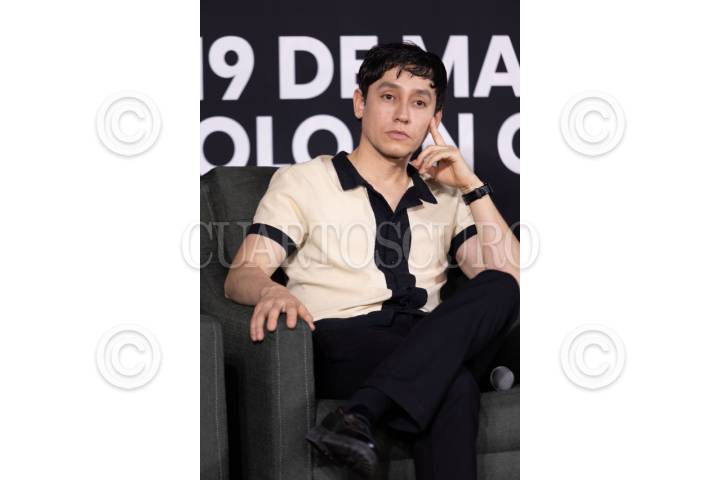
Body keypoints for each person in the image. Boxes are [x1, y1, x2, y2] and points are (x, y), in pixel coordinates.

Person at [223, 42, 520, 480]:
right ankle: (387, 399)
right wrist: (270, 290)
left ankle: (360, 412)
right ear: (360, 103)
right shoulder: (304, 180)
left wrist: (471, 186)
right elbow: (241, 275)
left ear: (434, 120)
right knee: (454, 383)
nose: (402, 115)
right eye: (388, 96)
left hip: (426, 332)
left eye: (419, 103)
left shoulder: (446, 192)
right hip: (343, 338)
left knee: (500, 287)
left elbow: (513, 279)